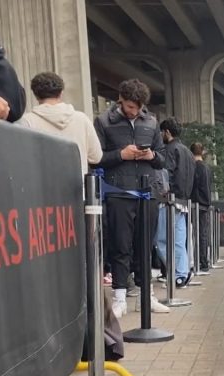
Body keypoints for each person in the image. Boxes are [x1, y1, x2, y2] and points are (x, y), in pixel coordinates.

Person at [94, 79, 168, 318]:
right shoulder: (104, 122)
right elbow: (96, 157)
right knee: (120, 246)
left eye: (136, 107)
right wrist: (121, 154)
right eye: (129, 106)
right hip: (118, 193)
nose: (132, 111)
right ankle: (119, 298)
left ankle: (148, 296)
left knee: (146, 246)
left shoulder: (152, 122)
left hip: (148, 192)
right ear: (120, 99)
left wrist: (151, 155)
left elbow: (163, 160)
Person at [18, 72, 102, 171]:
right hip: (76, 184)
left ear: (35, 95)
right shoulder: (82, 119)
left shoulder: (26, 122)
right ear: (61, 92)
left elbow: (21, 160)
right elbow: (96, 157)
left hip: (41, 184)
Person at [156, 118, 195, 288]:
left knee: (162, 240)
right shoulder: (187, 151)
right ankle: (183, 273)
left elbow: (166, 174)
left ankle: (178, 274)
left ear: (167, 132)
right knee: (178, 240)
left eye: (161, 132)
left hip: (169, 200)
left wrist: (162, 191)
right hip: (183, 201)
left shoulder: (168, 150)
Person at [191, 142, 213, 272]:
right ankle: (204, 261)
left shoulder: (194, 167)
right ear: (202, 152)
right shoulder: (207, 168)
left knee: (196, 234)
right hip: (205, 203)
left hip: (195, 203)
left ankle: (200, 261)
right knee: (202, 233)